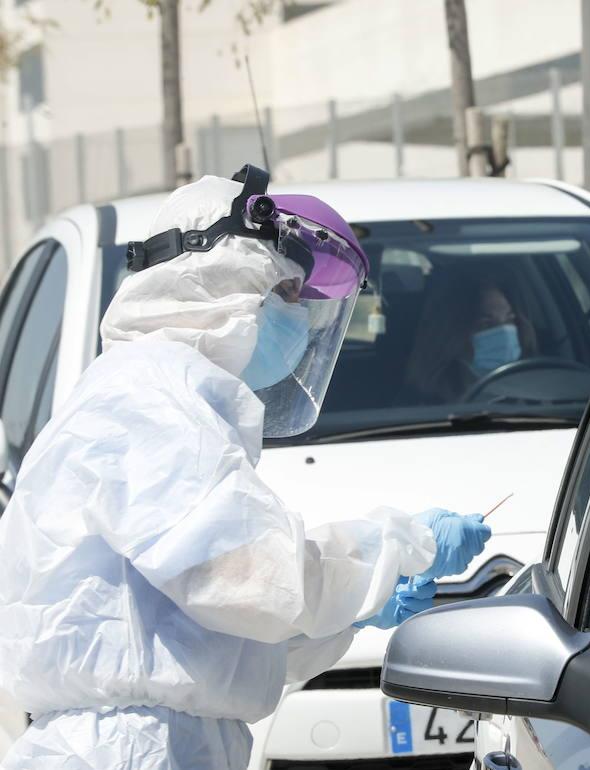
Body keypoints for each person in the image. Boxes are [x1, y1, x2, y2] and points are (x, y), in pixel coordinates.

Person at [0, 168, 491, 770]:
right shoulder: (148, 401)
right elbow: (255, 578)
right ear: (217, 279)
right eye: (285, 294)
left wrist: (356, 611)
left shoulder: (166, 398)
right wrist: (401, 545)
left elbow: (216, 638)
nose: (299, 321)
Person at [405, 273, 537, 403]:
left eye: (509, 320)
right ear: (451, 335)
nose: (504, 332)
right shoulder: (421, 407)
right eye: (486, 324)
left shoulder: (535, 397)